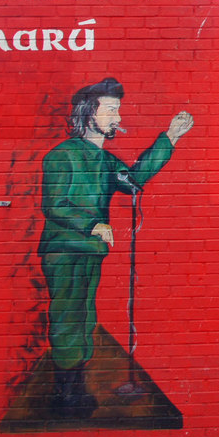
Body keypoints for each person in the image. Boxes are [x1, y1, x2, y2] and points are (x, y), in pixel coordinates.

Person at [37, 77, 193, 418]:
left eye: (117, 111)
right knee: (68, 317)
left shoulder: (107, 162)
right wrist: (93, 225)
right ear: (88, 113)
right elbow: (55, 205)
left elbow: (134, 179)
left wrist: (170, 137)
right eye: (110, 110)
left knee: (84, 316)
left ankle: (74, 388)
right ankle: (65, 395)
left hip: (90, 251)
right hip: (64, 251)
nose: (117, 118)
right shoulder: (61, 157)